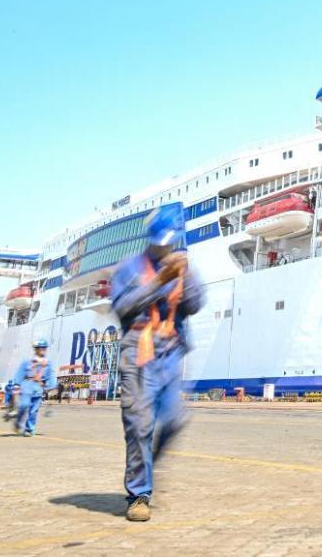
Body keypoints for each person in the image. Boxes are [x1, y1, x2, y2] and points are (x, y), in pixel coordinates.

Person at [111, 204, 204, 522]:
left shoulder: (181, 265)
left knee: (175, 419)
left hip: (170, 353)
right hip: (139, 353)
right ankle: (139, 495)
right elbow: (122, 308)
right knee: (139, 425)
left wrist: (185, 277)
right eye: (159, 242)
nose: (163, 247)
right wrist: (157, 282)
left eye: (168, 242)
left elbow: (195, 305)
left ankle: (146, 462)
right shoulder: (129, 268)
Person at [13, 340, 57, 436]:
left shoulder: (48, 363)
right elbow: (20, 373)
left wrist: (52, 386)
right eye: (41, 348)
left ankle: (29, 429)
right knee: (24, 405)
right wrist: (16, 385)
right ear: (36, 349)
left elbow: (51, 375)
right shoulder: (27, 362)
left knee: (33, 410)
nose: (43, 349)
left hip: (39, 388)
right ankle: (19, 422)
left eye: (44, 348)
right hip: (27, 385)